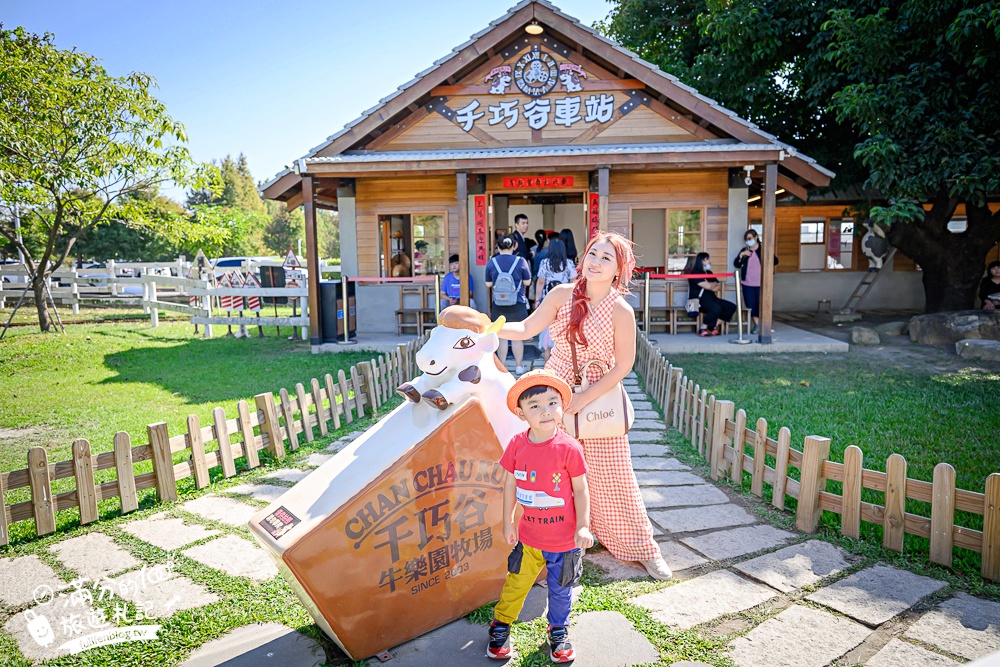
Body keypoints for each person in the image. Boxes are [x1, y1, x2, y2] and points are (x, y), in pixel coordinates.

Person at [498, 231, 673, 581]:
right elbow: (530, 326)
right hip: (555, 388)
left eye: (606, 258)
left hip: (597, 393)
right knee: (551, 466)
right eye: (593, 254)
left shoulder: (621, 310)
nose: (595, 262)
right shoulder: (562, 293)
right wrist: (493, 329)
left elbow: (623, 365)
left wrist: (582, 399)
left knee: (612, 473)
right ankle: (558, 539)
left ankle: (641, 547)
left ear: (619, 270)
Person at [487, 370, 593, 663]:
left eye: (552, 403)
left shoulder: (570, 448)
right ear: (521, 413)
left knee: (561, 591)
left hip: (566, 542)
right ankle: (501, 624)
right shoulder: (517, 445)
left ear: (561, 407)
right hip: (529, 538)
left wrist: (583, 526)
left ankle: (558, 630)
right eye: (535, 406)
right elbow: (510, 483)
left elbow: (581, 490)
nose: (545, 411)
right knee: (516, 583)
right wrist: (508, 520)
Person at [486, 235, 532, 373]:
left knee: (502, 335)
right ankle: (519, 366)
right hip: (517, 302)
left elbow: (488, 284)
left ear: (498, 247)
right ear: (514, 246)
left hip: (499, 303)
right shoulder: (520, 261)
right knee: (517, 336)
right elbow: (527, 282)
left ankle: (503, 367)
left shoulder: (492, 262)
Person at [534, 238, 577, 361]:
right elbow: (573, 283)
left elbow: (541, 282)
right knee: (562, 332)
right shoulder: (569, 263)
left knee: (547, 332)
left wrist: (537, 300)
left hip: (547, 302)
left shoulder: (545, 263)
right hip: (565, 303)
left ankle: (548, 366)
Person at [733, 229, 778, 334]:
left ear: (756, 237)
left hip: (762, 283)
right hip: (747, 283)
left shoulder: (763, 249)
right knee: (751, 304)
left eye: (750, 238)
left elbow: (775, 261)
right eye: (746, 239)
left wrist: (767, 253)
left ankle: (765, 326)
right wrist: (741, 255)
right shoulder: (745, 250)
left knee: (761, 304)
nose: (748, 241)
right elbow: (737, 264)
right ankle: (757, 325)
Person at [688, 252, 737, 337]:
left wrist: (711, 284)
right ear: (702, 261)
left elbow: (717, 286)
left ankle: (712, 326)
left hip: (712, 298)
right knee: (716, 307)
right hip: (699, 301)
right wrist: (711, 285)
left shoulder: (709, 273)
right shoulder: (695, 273)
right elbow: (708, 286)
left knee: (731, 306)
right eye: (707, 259)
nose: (710, 261)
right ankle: (702, 328)